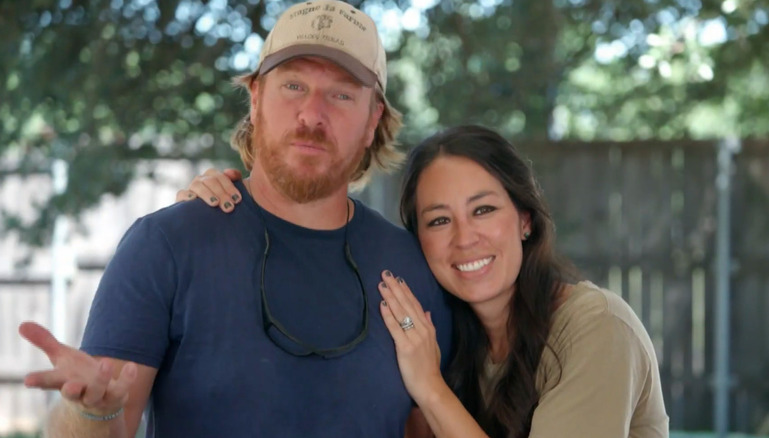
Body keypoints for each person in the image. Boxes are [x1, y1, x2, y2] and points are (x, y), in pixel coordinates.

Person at [17, 1, 453, 437]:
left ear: (373, 119)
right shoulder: (166, 244)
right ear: (256, 96)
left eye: (341, 94)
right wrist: (93, 413)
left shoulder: (409, 269)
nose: (312, 115)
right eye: (294, 86)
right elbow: (105, 418)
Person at [185, 125, 670, 437]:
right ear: (417, 240)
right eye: (439, 221)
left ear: (525, 219)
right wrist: (224, 213)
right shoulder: (440, 327)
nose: (465, 239)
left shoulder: (596, 328)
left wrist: (430, 387)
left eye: (483, 210)